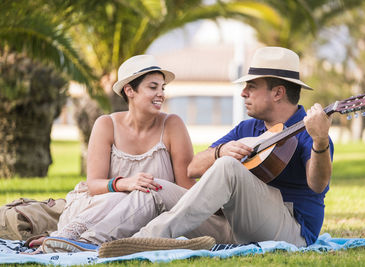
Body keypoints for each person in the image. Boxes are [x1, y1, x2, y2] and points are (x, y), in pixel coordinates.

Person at [98, 46, 334, 257]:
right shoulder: (248, 128)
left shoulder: (310, 130)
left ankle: (143, 240)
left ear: (278, 93)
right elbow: (193, 167)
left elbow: (318, 185)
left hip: (291, 231)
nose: (243, 93)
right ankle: (95, 242)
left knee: (228, 168)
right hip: (235, 225)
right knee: (157, 187)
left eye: (251, 87)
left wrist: (320, 140)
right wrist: (219, 152)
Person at [30, 55, 198, 253]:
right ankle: (69, 238)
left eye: (163, 88)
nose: (161, 94)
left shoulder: (172, 125)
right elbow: (93, 184)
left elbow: (185, 188)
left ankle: (66, 243)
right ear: (129, 90)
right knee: (119, 197)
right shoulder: (106, 125)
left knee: (136, 195)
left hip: (148, 215)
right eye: (153, 87)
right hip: (97, 209)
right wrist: (123, 184)